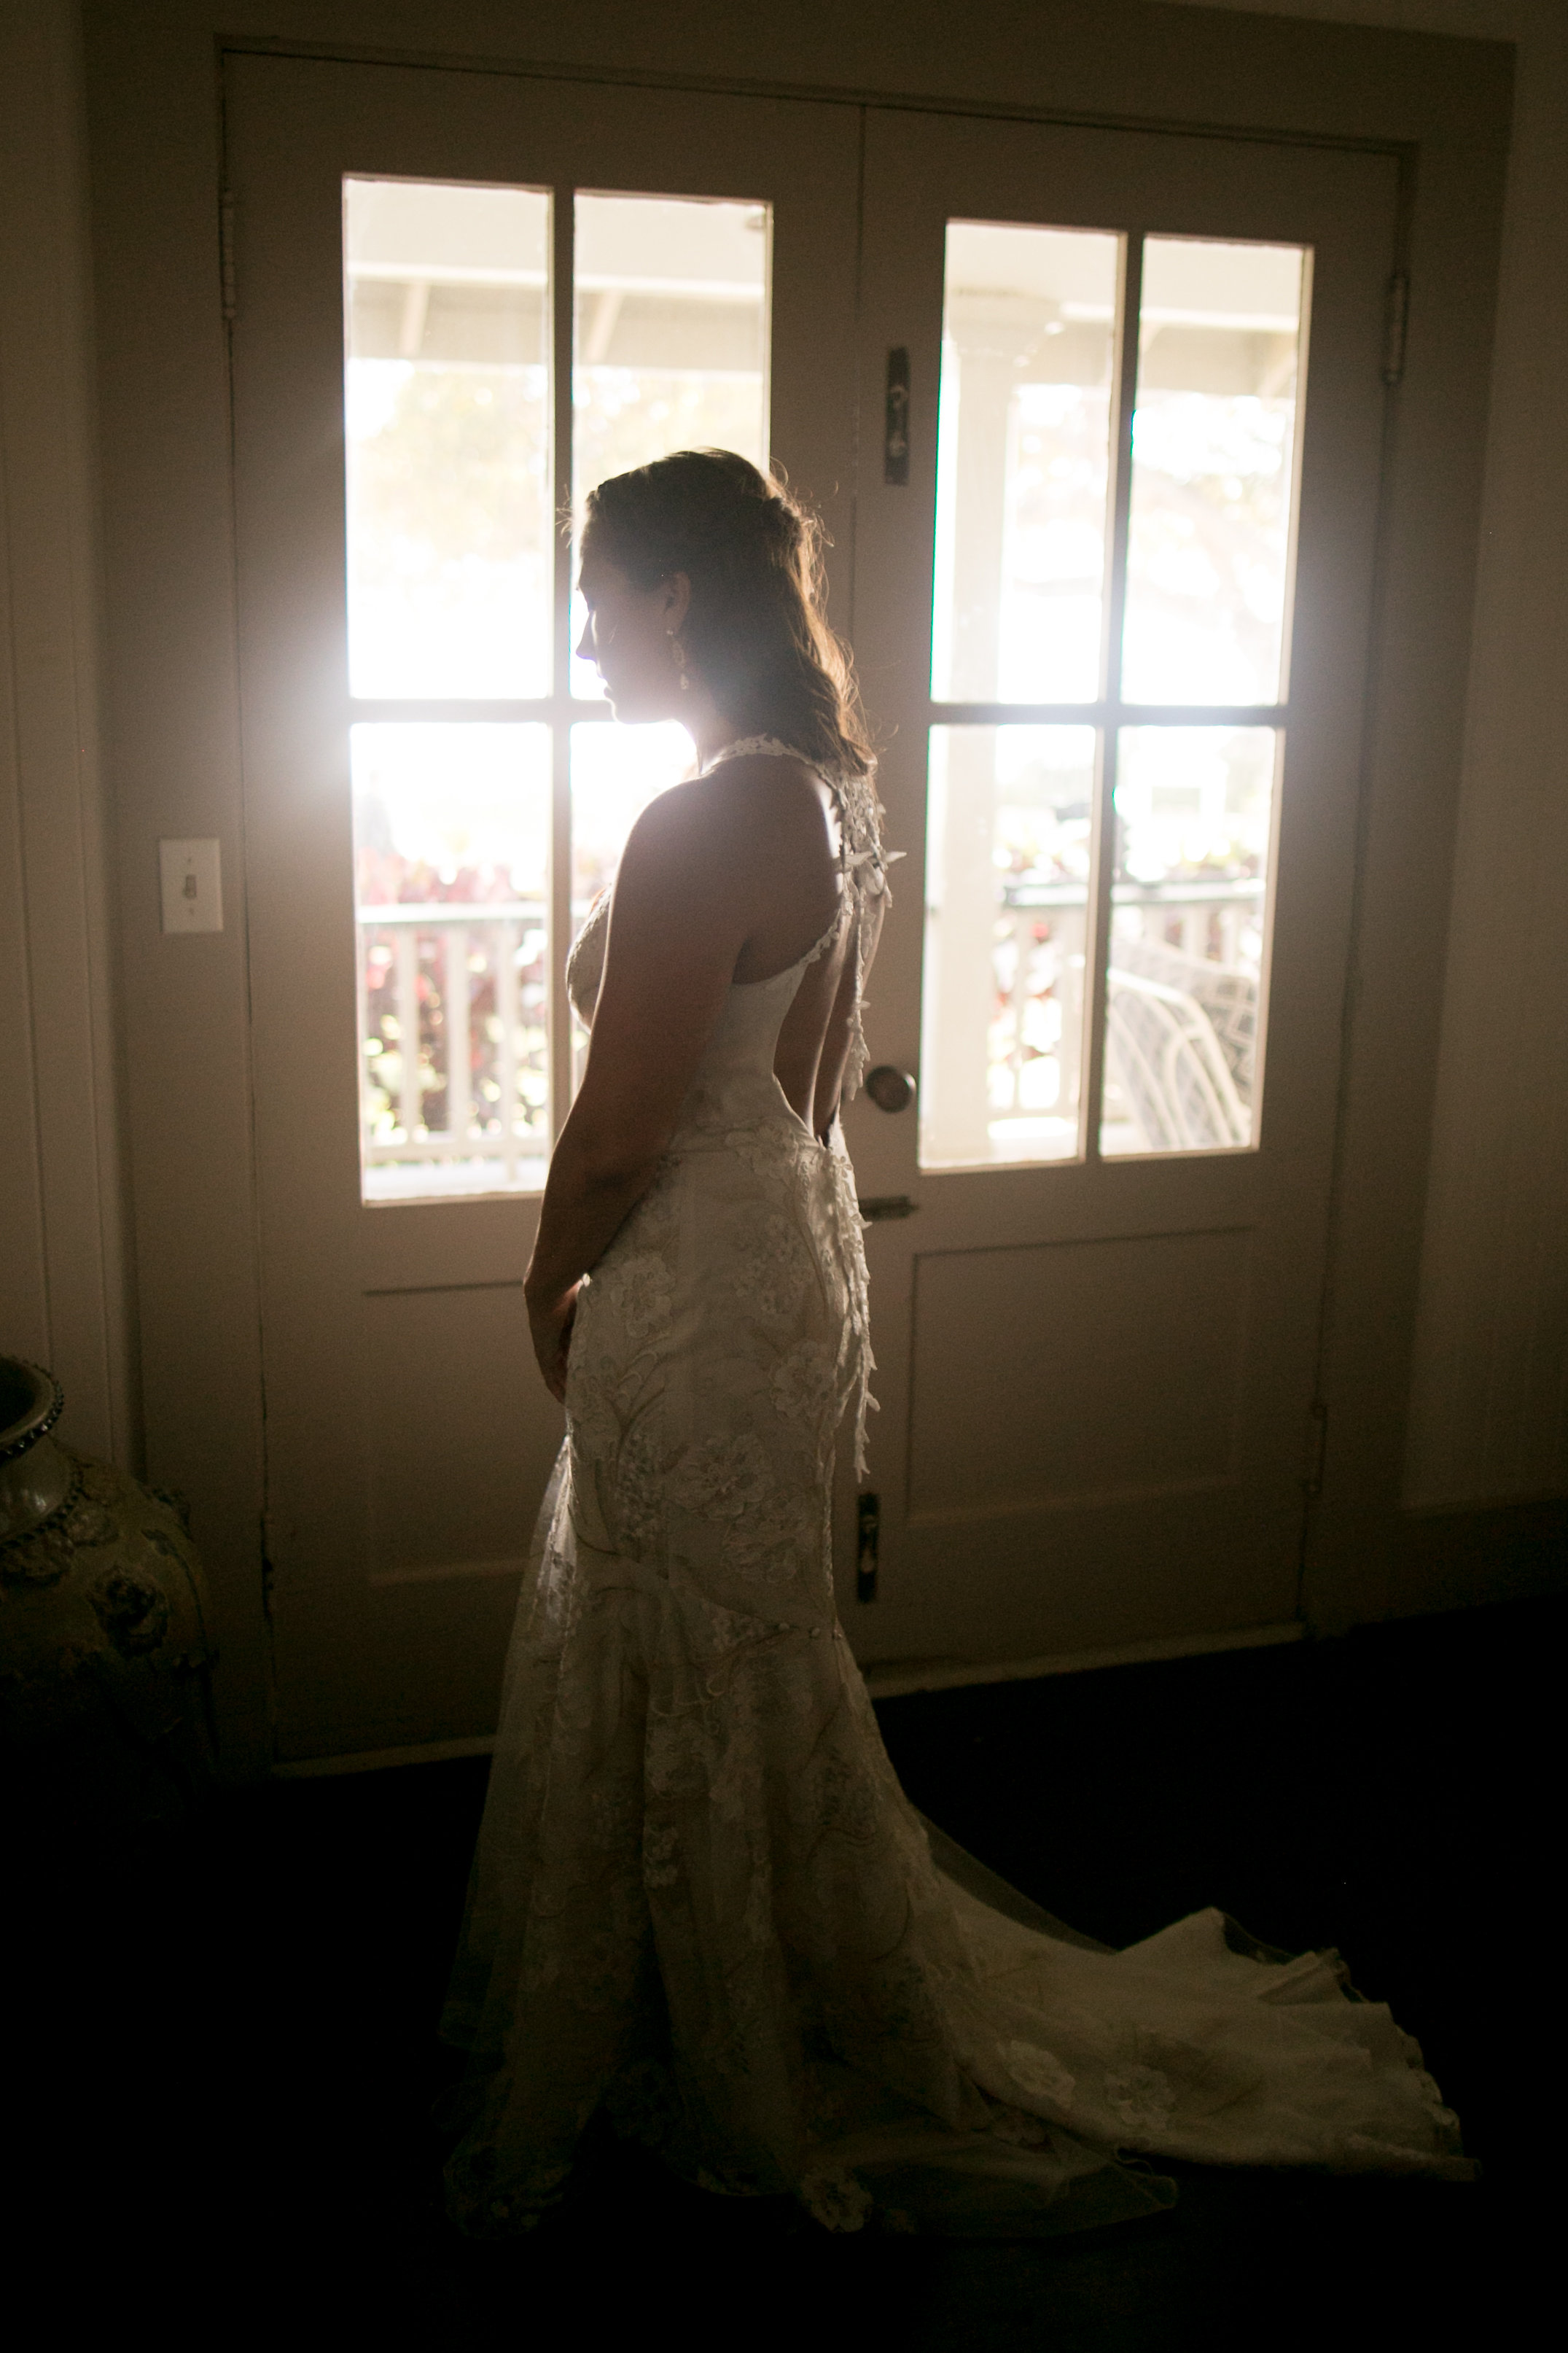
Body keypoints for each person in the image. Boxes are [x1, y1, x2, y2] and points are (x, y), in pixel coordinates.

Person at [439, 449, 1470, 2239]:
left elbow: (617, 1134)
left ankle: (719, 2019)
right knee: (735, 1636)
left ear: (674, 597)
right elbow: (806, 1100)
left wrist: (543, 1284)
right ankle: (728, 1974)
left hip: (694, 1276)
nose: (586, 633)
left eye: (597, 595)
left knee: (682, 1627)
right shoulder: (818, 786)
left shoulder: (707, 818)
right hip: (775, 1254)